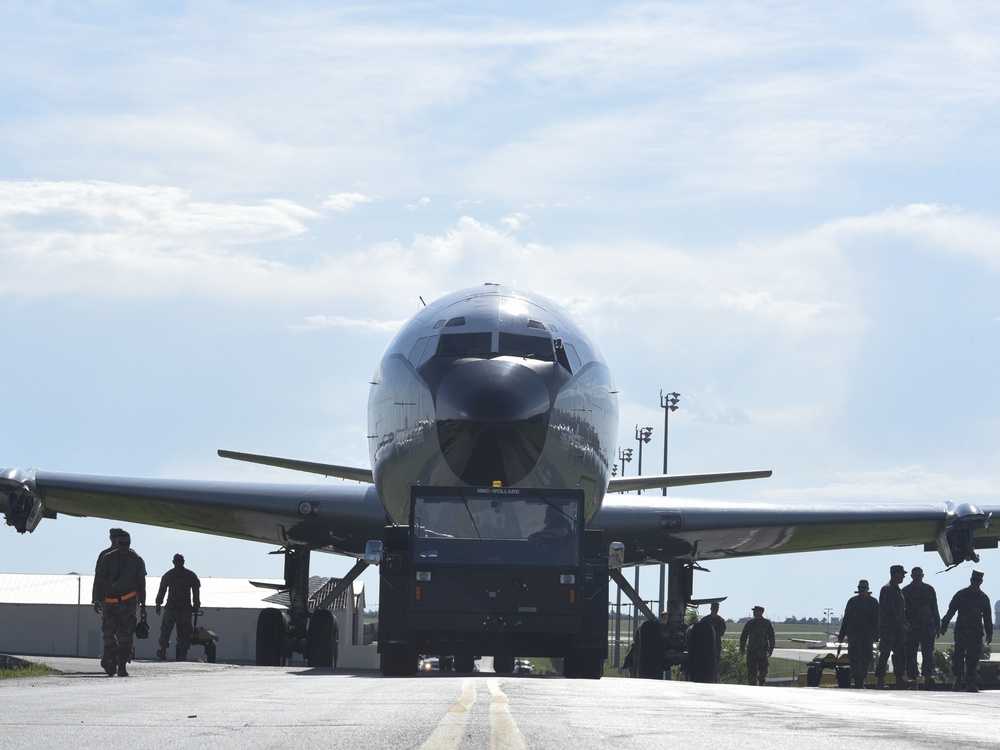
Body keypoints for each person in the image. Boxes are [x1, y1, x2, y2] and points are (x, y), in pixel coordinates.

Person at [93, 529, 147, 677]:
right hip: (110, 603)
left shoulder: (136, 560)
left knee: (125, 636)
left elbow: (141, 585)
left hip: (128, 604)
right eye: (121, 543)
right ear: (116, 542)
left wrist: (143, 606)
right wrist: (97, 600)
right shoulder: (107, 558)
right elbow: (100, 581)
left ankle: (122, 665)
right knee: (108, 635)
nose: (124, 546)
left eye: (127, 543)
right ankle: (111, 659)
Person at [940, 569, 993, 693]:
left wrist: (989, 633)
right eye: (974, 580)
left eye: (978, 580)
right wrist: (944, 626)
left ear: (981, 582)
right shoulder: (961, 594)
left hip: (976, 632)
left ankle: (970, 682)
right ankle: (958, 676)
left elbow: (987, 617)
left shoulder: (984, 598)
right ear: (970, 580)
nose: (975, 582)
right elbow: (951, 610)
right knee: (958, 655)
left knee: (973, 657)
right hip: (961, 631)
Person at [155, 553, 202, 661]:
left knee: (184, 631)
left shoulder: (191, 576)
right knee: (165, 629)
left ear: (184, 562)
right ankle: (162, 650)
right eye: (177, 561)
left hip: (185, 609)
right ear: (173, 562)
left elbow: (196, 591)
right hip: (171, 607)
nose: (179, 563)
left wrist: (196, 605)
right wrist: (158, 603)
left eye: (181, 561)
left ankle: (183, 653)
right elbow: (162, 589)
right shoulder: (168, 575)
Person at [902, 566, 940, 688]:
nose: (917, 577)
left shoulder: (929, 590)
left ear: (922, 576)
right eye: (915, 575)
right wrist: (903, 624)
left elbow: (934, 608)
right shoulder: (905, 591)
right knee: (911, 654)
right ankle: (914, 681)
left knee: (928, 654)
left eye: (919, 575)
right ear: (912, 576)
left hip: (927, 628)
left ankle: (927, 679)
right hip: (912, 629)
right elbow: (901, 610)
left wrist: (937, 626)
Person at [837, 579, 879, 688]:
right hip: (854, 635)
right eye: (859, 588)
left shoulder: (873, 602)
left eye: (863, 588)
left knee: (866, 658)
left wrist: (876, 636)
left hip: (867, 636)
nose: (861, 590)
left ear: (868, 589)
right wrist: (841, 636)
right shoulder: (852, 601)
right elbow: (846, 619)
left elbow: (877, 620)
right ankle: (856, 679)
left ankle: (861, 679)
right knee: (855, 657)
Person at [875, 564, 910, 689]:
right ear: (895, 574)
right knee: (884, 654)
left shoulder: (896, 589)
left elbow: (899, 610)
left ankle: (899, 680)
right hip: (888, 628)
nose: (904, 576)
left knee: (899, 654)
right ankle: (880, 680)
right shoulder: (888, 589)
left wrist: (904, 623)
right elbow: (890, 611)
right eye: (902, 574)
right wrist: (900, 625)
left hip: (897, 629)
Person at [739, 605, 774, 686]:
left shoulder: (766, 623)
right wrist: (742, 647)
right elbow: (744, 636)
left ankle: (761, 681)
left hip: (762, 651)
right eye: (754, 611)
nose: (754, 613)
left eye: (755, 611)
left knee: (764, 670)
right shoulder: (750, 623)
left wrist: (771, 648)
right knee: (751, 671)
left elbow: (771, 636)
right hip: (751, 651)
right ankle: (752, 686)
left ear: (760, 612)